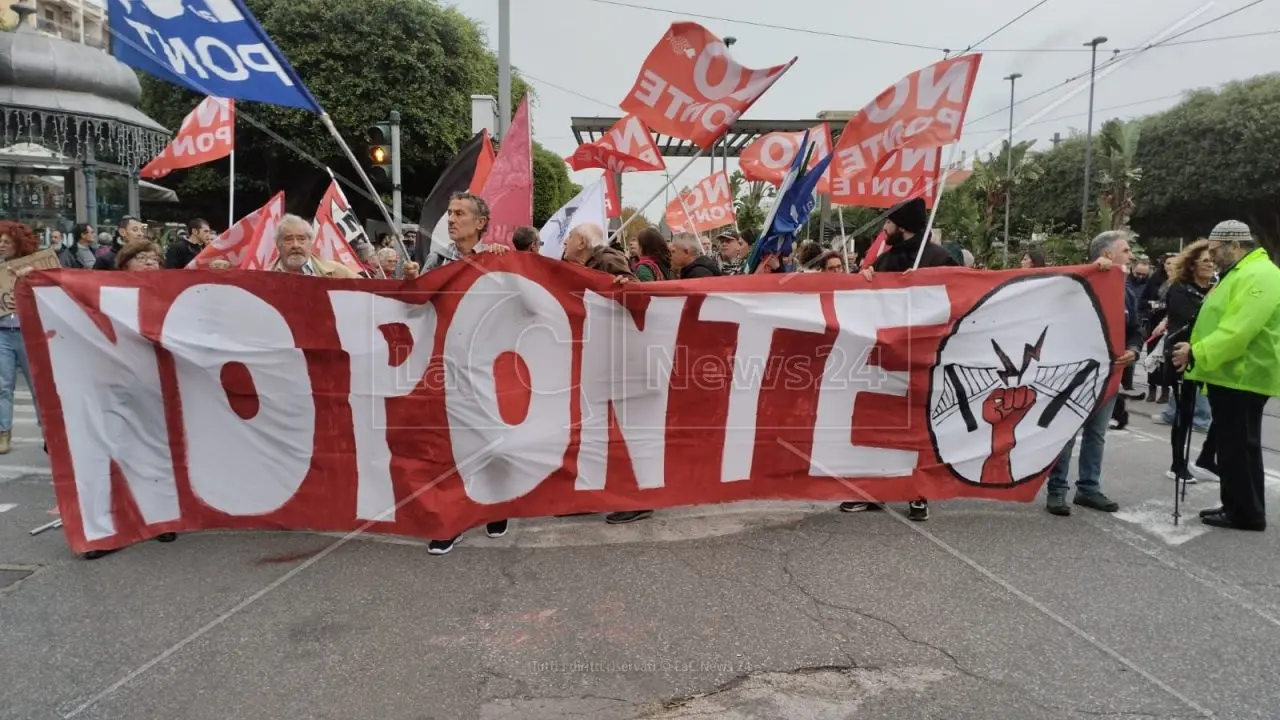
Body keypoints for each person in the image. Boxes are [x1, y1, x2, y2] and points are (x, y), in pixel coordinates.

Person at [845, 197, 956, 521]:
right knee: (880, 426)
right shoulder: (885, 260)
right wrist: (864, 279)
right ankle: (876, 491)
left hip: (924, 359)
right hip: (886, 359)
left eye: (889, 223)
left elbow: (960, 298)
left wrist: (927, 286)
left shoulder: (939, 260)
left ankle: (917, 494)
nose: (884, 229)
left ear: (902, 226)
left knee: (918, 427)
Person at [1173, 220, 1280, 532]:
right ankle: (1238, 505)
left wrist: (1196, 352)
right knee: (1236, 446)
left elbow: (1240, 329)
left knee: (1239, 446)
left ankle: (1245, 513)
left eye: (1216, 250)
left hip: (1242, 373)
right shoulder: (1244, 273)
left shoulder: (1258, 274)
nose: (1213, 257)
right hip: (1233, 373)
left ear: (1235, 246)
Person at [1044, 230, 1138, 517]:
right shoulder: (1076, 285)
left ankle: (1088, 488)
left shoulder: (1126, 290)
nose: (1131, 255)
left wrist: (1134, 349)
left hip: (1109, 374)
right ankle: (1057, 490)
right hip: (1077, 375)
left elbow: (1135, 329)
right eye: (1125, 250)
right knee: (1067, 432)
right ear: (1107, 254)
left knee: (1096, 434)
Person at [1161, 240, 1216, 485]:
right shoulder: (1179, 288)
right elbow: (1189, 320)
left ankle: (1207, 459)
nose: (1211, 264)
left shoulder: (1216, 287)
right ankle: (1177, 464)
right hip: (1181, 355)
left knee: (1222, 411)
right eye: (1205, 260)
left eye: (1213, 259)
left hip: (1210, 355)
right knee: (1184, 412)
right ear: (1193, 264)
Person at [0, 221, 42, 456]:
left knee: (38, 385)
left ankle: (47, 432)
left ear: (19, 244)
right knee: (2, 386)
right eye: (0, 241)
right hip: (2, 332)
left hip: (29, 332)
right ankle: (3, 432)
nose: (1, 245)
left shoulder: (34, 268)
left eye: (7, 242)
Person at [271, 215, 394, 279]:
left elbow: (372, 293)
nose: (295, 245)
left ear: (310, 243)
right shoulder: (263, 276)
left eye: (301, 239)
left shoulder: (336, 272)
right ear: (278, 244)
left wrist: (411, 280)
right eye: (288, 240)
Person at [421, 192, 507, 271]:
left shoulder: (493, 256)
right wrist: (412, 280)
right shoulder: (437, 259)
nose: (450, 220)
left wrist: (506, 257)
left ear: (480, 222)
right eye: (450, 213)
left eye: (459, 214)